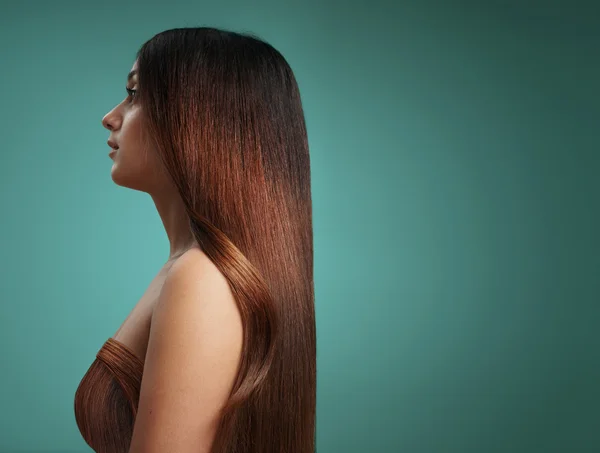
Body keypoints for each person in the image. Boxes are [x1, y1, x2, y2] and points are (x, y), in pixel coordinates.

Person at [74, 26, 316, 453]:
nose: (111, 117)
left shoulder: (200, 279)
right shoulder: (192, 267)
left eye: (133, 95)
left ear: (195, 117)